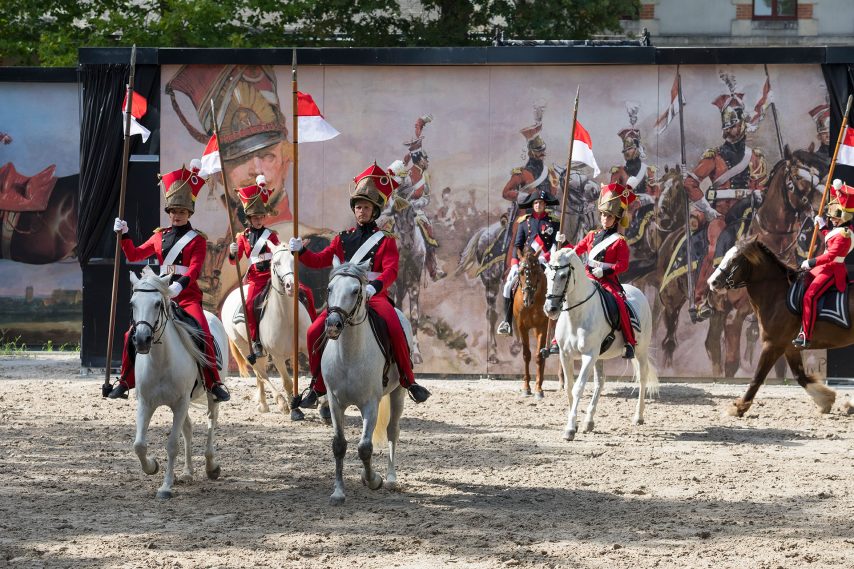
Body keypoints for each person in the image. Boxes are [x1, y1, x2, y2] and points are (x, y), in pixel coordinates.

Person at [288, 163, 431, 407]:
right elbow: (319, 260)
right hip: (346, 297)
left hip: (374, 295)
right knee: (313, 332)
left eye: (365, 207)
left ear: (375, 211)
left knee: (395, 327)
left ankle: (409, 380)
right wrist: (300, 251)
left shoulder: (386, 241)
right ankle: (317, 384)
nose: (361, 211)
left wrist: (375, 287)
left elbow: (391, 271)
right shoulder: (342, 238)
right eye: (358, 207)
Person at [108, 162, 230, 401]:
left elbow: (194, 269)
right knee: (130, 334)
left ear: (190, 213)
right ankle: (124, 380)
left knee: (203, 332)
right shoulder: (159, 236)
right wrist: (124, 234)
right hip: (160, 296)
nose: (177, 215)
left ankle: (214, 382)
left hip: (187, 296)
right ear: (169, 212)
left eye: (182, 211)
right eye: (173, 211)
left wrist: (179, 286)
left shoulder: (197, 240)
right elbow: (134, 255)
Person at [683, 84, 768, 320]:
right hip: (720, 215)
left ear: (743, 124)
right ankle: (699, 300)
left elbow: (761, 183)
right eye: (728, 126)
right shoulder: (714, 157)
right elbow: (690, 183)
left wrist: (759, 193)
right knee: (714, 247)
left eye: (734, 124)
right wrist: (707, 211)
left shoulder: (755, 157)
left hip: (749, 214)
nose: (731, 129)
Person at [227, 174, 316, 359]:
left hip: (273, 275)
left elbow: (279, 253)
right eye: (254, 217)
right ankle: (257, 341)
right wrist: (232, 251)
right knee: (250, 304)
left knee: (306, 292)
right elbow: (235, 261)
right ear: (248, 218)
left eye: (260, 217)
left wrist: (293, 251)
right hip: (255, 279)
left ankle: (314, 331)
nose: (258, 220)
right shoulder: (242, 237)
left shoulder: (271, 235)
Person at [559, 182, 638, 359]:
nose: (604, 219)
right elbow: (575, 251)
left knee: (619, 302)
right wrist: (563, 242)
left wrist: (606, 272)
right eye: (602, 215)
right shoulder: (591, 236)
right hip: (587, 277)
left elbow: (623, 265)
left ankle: (629, 342)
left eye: (609, 216)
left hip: (607, 280)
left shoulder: (620, 241)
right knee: (565, 295)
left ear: (616, 219)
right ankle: (558, 339)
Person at [794, 180, 854, 348]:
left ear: (844, 217)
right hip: (824, 267)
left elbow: (831, 255)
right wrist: (822, 227)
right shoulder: (840, 230)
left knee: (810, 296)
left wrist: (810, 262)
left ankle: (805, 334)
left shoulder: (846, 235)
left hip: (832, 271)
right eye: (831, 217)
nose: (832, 220)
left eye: (835, 217)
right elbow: (831, 236)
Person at [496, 189, 561, 336]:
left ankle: (559, 321)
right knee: (508, 286)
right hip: (526, 261)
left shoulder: (554, 222)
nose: (538, 205)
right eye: (536, 202)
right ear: (532, 204)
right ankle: (506, 322)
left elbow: (554, 245)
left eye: (541, 203)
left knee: (558, 285)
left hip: (545, 260)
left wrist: (548, 256)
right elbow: (517, 244)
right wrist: (514, 264)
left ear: (545, 204)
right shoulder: (524, 222)